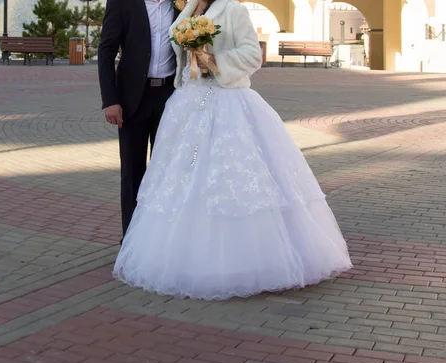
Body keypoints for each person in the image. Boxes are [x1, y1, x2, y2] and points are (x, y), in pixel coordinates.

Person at [113, 0, 352, 301]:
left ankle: (240, 261)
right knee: (184, 180)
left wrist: (214, 61)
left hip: (227, 102)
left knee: (227, 181)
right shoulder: (187, 10)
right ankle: (184, 254)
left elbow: (254, 54)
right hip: (188, 104)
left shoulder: (234, 10)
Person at [98, 0, 180, 240]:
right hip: (132, 99)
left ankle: (160, 238)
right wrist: (110, 100)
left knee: (165, 170)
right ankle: (132, 239)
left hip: (171, 97)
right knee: (133, 171)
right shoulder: (123, 3)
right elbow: (106, 50)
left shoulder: (180, 5)